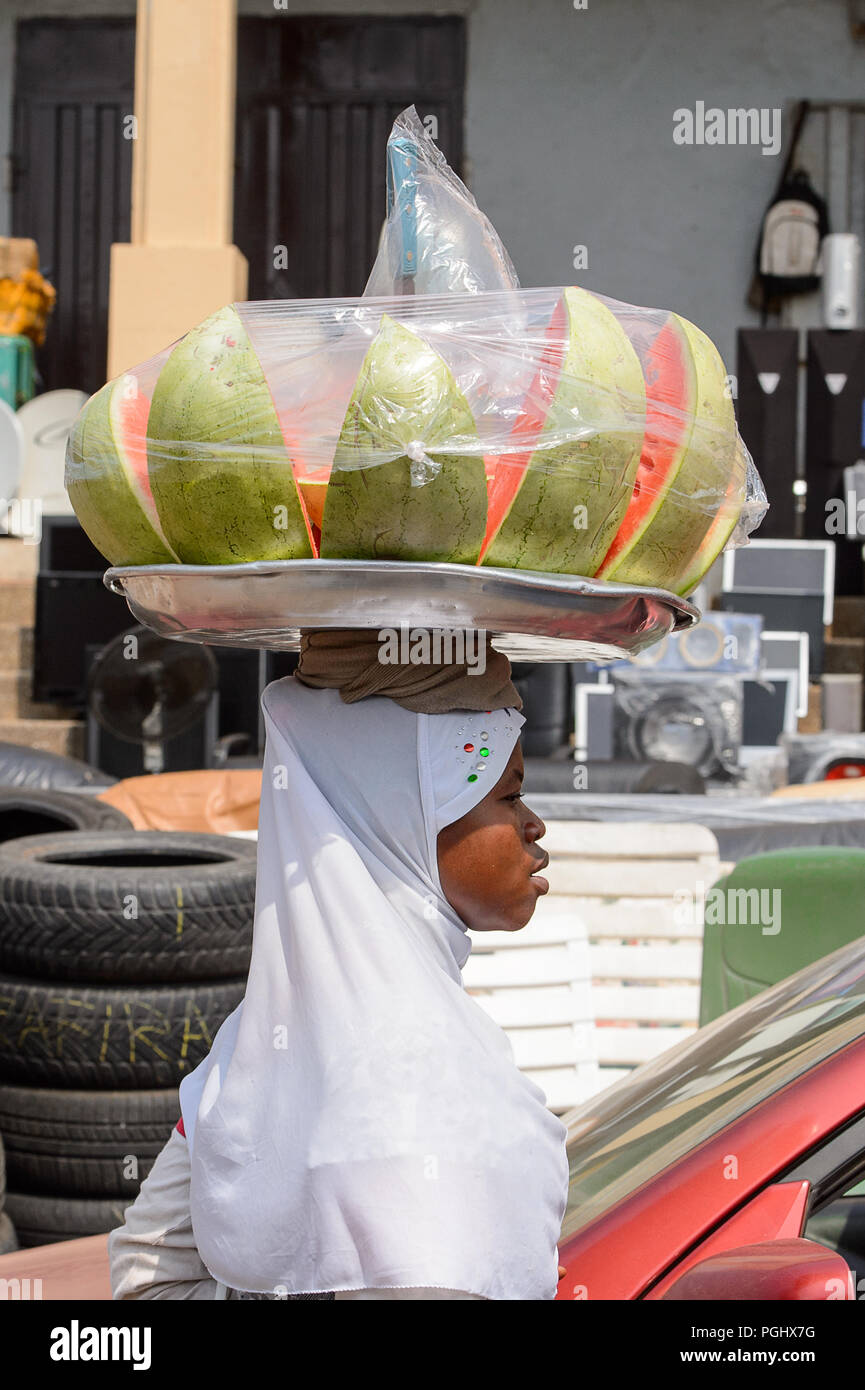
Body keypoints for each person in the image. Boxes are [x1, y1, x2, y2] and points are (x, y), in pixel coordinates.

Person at [109, 643, 569, 1300]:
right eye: (511, 793)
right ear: (402, 819)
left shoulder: (262, 1046)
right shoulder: (424, 1085)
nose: (533, 824)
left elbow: (146, 1271)